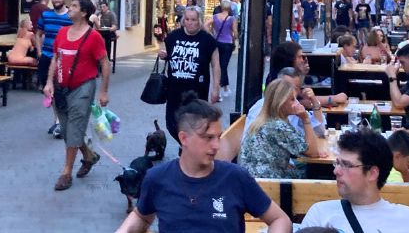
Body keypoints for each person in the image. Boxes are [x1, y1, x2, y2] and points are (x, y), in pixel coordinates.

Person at [115, 93, 292, 233]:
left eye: (218, 137)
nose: (216, 146)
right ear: (183, 138)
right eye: (208, 138)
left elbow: (280, 219)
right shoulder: (157, 178)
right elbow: (142, 217)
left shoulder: (235, 177)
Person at [300, 129, 409, 232]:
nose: (336, 171)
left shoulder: (407, 218)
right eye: (337, 163)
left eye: (346, 165)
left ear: (372, 173)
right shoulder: (320, 213)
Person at [43, 0, 111, 191]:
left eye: (73, 6)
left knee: (74, 126)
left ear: (83, 13)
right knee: (67, 130)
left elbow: (105, 63)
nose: (69, 9)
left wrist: (103, 91)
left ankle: (66, 172)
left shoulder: (93, 37)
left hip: (83, 86)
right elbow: (55, 58)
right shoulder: (62, 32)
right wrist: (49, 82)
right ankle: (89, 155)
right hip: (62, 87)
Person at [159, 7, 221, 143]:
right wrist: (163, 55)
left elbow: (216, 65)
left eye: (193, 19)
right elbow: (167, 53)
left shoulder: (208, 40)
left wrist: (216, 89)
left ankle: (188, 149)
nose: (190, 23)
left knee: (195, 124)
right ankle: (185, 145)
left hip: (197, 91)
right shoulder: (173, 37)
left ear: (199, 21)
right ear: (183, 20)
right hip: (174, 90)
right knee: (171, 123)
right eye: (187, 19)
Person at [240, 79, 324, 179]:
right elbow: (313, 152)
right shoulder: (278, 126)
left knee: (303, 167)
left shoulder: (263, 120)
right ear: (280, 102)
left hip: (253, 178)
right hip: (268, 183)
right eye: (292, 99)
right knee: (316, 172)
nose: (297, 103)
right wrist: (305, 119)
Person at [243, 67, 325, 141]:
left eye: (295, 88)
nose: (290, 91)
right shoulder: (261, 107)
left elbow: (319, 131)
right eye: (286, 87)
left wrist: (314, 101)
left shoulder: (293, 106)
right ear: (278, 85)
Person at [37, 0, 72, 137]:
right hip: (46, 56)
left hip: (63, 59)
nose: (56, 0)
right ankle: (57, 120)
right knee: (49, 91)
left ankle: (61, 122)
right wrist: (39, 52)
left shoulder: (70, 16)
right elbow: (37, 34)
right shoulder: (46, 15)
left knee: (61, 91)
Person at [207, 0, 238, 98]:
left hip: (217, 42)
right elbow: (235, 32)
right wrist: (234, 38)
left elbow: (206, 25)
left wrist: (211, 34)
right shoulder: (232, 18)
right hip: (227, 43)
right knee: (223, 66)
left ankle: (224, 88)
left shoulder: (215, 17)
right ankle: (221, 89)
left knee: (218, 65)